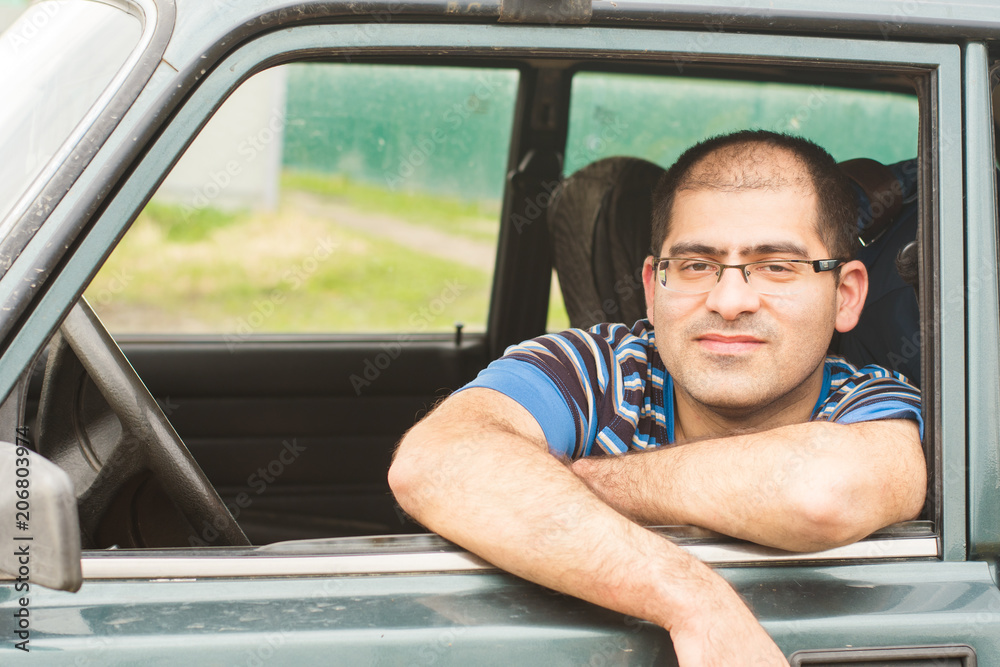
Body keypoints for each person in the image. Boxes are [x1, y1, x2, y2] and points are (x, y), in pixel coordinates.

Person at [388, 130, 925, 665]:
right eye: (695, 265)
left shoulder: (873, 401)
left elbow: (819, 493)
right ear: (652, 286)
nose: (729, 299)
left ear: (846, 295)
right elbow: (435, 464)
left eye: (776, 265)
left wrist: (573, 477)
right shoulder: (599, 367)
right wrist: (693, 602)